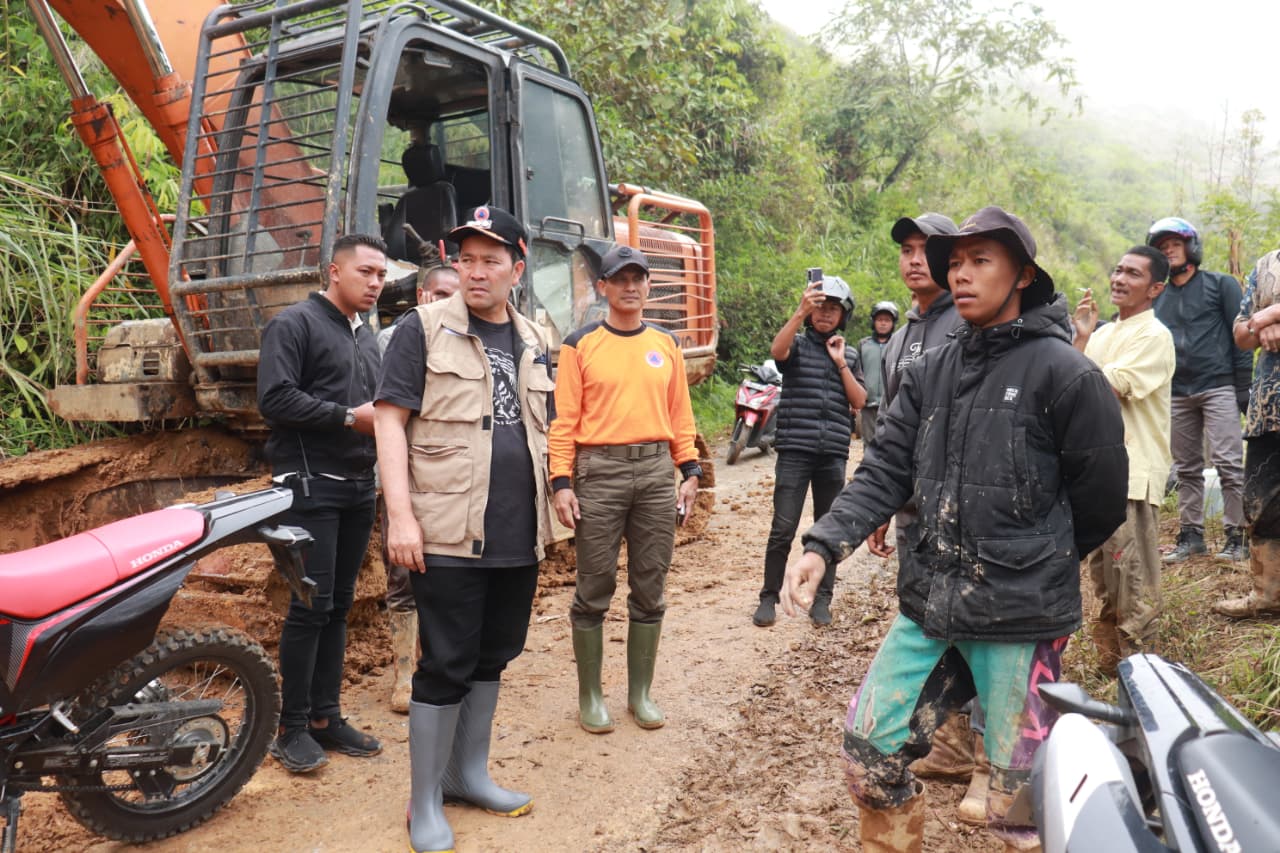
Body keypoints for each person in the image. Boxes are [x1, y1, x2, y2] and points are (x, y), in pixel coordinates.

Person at [781, 207, 1127, 852]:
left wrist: (1037, 557)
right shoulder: (931, 369)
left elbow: (1100, 498)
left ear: (1023, 275)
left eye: (980, 261)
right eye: (956, 263)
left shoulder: (1066, 374)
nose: (961, 274)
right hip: (931, 603)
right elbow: (886, 468)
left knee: (1019, 808)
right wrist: (824, 544)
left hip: (1021, 615)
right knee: (869, 759)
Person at [374, 206, 556, 853]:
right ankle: (425, 800)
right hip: (447, 530)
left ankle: (468, 775)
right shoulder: (421, 329)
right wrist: (400, 516)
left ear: (517, 267)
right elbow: (389, 420)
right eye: (466, 259)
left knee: (493, 653)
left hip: (517, 531)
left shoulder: (534, 336)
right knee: (445, 662)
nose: (476, 272)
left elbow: (546, 429)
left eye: (490, 260)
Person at [549, 243, 702, 735]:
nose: (630, 287)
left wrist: (690, 469)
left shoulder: (666, 343)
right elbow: (563, 420)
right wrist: (561, 481)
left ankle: (640, 694)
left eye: (638, 278)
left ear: (649, 286)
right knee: (594, 585)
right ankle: (591, 696)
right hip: (600, 472)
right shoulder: (580, 344)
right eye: (619, 279)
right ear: (603, 287)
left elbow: (680, 414)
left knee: (650, 584)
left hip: (656, 472)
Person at [257, 233, 388, 773]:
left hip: (358, 487)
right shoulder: (294, 324)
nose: (375, 283)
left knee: (339, 605)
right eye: (365, 273)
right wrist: (348, 417)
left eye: (381, 275)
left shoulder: (367, 337)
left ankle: (324, 719)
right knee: (310, 606)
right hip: (309, 486)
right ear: (334, 272)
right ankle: (289, 729)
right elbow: (275, 398)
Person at [1072, 246, 1175, 673]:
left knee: (1133, 583)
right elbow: (1073, 384)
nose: (1119, 279)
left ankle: (1143, 678)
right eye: (1117, 270)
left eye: (1133, 273)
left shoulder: (1154, 335)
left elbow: (1106, 387)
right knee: (1105, 581)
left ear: (1155, 288)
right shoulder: (1101, 335)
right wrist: (1081, 339)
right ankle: (1112, 670)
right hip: (1098, 476)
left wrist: (1071, 360)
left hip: (1133, 473)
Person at [751, 274, 867, 629]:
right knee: (782, 527)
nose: (825, 314)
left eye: (833, 309)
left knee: (827, 529)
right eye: (820, 308)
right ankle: (768, 597)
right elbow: (777, 352)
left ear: (843, 315)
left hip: (832, 453)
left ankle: (822, 599)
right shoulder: (798, 346)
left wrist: (840, 362)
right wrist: (799, 313)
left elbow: (860, 400)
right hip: (795, 450)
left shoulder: (849, 354)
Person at [375, 264, 460, 714]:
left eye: (455, 294)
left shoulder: (469, 340)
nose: (449, 301)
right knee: (403, 574)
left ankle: (440, 663)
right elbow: (386, 416)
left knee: (447, 575)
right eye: (441, 293)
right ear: (423, 295)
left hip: (451, 482)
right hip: (405, 477)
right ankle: (404, 672)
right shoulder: (396, 339)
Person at [1149, 217, 1251, 562]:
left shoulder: (1220, 285)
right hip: (1176, 391)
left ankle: (1237, 536)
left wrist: (1243, 386)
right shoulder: (1157, 297)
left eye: (1175, 245)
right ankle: (1191, 536)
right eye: (1162, 248)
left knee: (1229, 463)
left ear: (1191, 248)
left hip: (1218, 384)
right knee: (1186, 468)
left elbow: (1240, 337)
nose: (1169, 251)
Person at [1215, 249, 1280, 618]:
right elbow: (1241, 334)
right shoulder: (1267, 264)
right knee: (1263, 501)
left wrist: (1274, 312)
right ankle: (1268, 595)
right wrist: (1262, 321)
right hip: (1268, 406)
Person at [857, 301, 899, 444]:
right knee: (869, 443)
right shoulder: (863, 344)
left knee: (890, 443)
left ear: (893, 323)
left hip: (891, 405)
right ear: (873, 322)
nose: (883, 323)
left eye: (887, 320)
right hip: (868, 405)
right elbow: (858, 373)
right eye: (880, 319)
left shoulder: (899, 343)